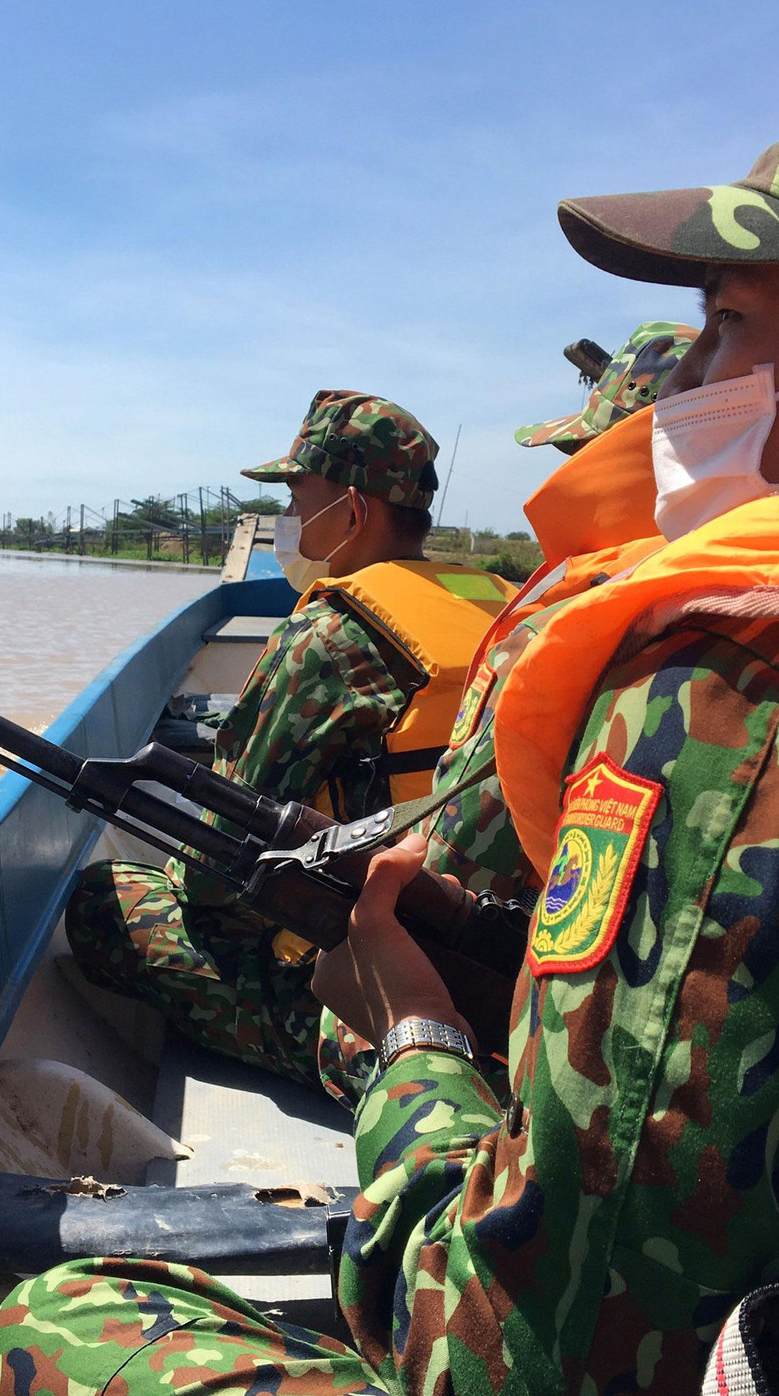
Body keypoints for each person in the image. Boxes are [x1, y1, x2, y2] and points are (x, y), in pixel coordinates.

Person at [0, 30, 779, 1396]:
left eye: (733, 322)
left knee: (57, 1336)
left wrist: (404, 1035)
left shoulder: (756, 714)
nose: (684, 383)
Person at [64, 388, 510, 1088]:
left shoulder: (328, 639)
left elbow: (213, 881)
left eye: (302, 504)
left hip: (371, 991)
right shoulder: (513, 607)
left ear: (354, 511)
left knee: (102, 902)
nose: (292, 524)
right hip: (505, 965)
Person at [319, 320, 694, 1105]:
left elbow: (453, 879)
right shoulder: (744, 595)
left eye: (581, 451)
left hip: (524, 1051)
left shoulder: (564, 618)